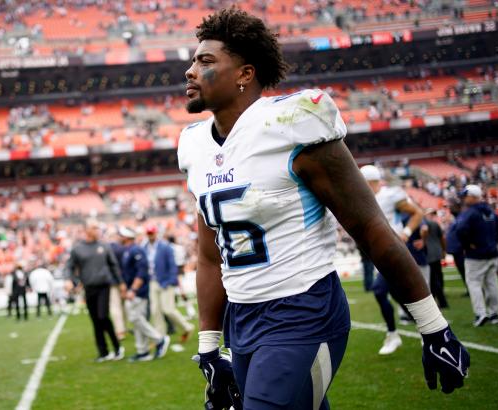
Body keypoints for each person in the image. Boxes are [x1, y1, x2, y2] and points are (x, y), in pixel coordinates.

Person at [178, 8, 469, 409]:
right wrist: (210, 348)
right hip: (242, 320)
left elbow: (369, 228)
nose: (191, 70)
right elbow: (210, 257)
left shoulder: (292, 124)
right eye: (193, 60)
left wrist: (433, 327)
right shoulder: (194, 146)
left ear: (245, 73)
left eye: (206, 61)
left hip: (304, 307)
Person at [361, 165, 425, 355]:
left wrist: (405, 233)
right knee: (399, 296)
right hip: (380, 254)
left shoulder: (389, 195)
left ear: (370, 182)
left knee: (379, 290)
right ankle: (425, 329)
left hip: (394, 251)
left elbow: (417, 212)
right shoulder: (365, 200)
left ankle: (392, 334)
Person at [65, 219, 126, 362]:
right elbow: (69, 267)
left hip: (104, 286)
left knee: (103, 316)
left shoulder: (104, 246)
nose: (98, 229)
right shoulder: (78, 248)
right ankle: (103, 352)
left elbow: (114, 266)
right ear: (86, 230)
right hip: (89, 288)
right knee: (95, 321)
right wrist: (71, 280)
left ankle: (117, 347)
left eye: (98, 227)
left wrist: (121, 283)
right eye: (94, 227)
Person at [455, 184, 498, 326]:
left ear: (473, 197)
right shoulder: (490, 211)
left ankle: (480, 313)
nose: (464, 198)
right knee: (492, 283)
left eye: (466, 195)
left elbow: (460, 229)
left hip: (476, 255)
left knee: (474, 283)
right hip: (492, 253)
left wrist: (467, 245)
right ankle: (494, 314)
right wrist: (494, 241)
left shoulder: (470, 212)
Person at [118, 226, 170, 362]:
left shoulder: (136, 250)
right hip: (132, 291)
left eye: (121, 235)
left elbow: (141, 272)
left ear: (126, 237)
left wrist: (134, 289)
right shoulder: (128, 250)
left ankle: (159, 339)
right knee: (136, 320)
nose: (119, 237)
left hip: (138, 292)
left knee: (136, 318)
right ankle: (143, 351)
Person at [142, 224, 194, 342]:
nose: (150, 236)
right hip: (152, 281)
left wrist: (170, 281)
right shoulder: (145, 247)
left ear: (156, 233)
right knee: (155, 310)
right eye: (149, 233)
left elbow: (172, 266)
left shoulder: (165, 247)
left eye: (152, 233)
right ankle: (160, 337)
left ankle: (187, 327)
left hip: (165, 281)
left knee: (168, 309)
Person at [425, 209, 449, 308]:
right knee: (438, 276)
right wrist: (443, 250)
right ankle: (441, 300)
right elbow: (442, 238)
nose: (432, 216)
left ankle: (440, 300)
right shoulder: (435, 224)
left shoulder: (422, 224)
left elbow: (442, 238)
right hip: (436, 252)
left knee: (433, 279)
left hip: (428, 254)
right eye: (430, 214)